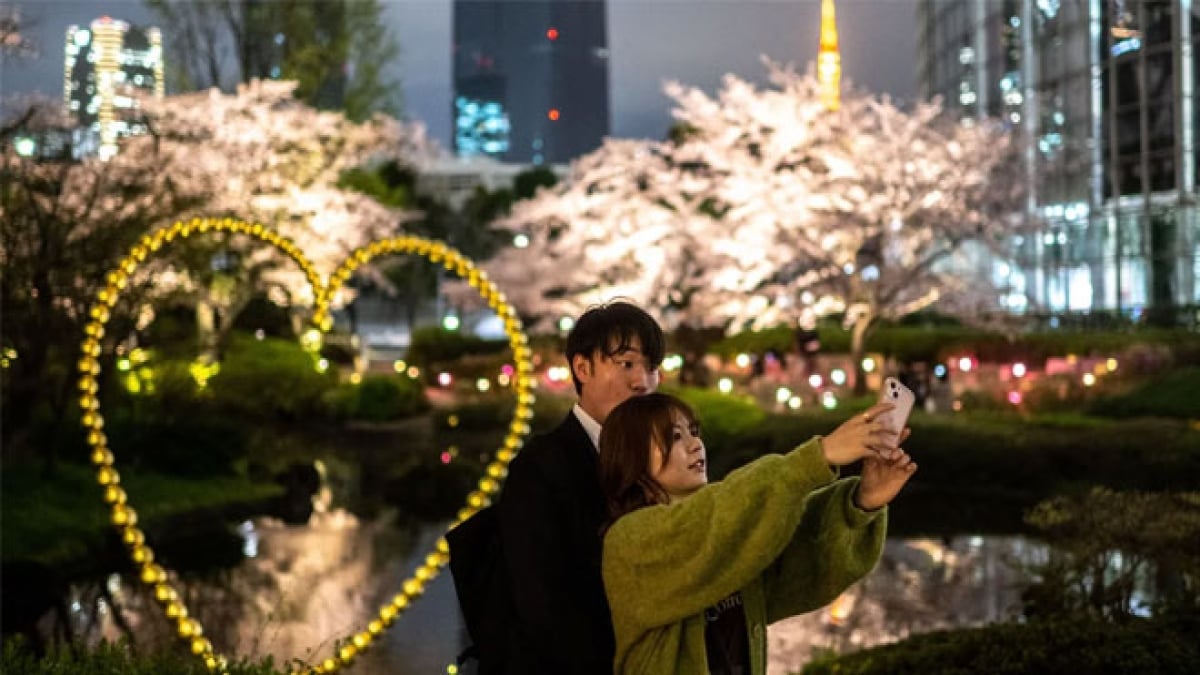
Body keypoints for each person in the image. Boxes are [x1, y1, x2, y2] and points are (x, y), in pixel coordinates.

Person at [599, 394, 917, 674]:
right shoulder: (629, 541)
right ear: (633, 456)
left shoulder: (731, 536)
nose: (695, 444)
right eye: (675, 437)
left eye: (694, 432)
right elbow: (709, 519)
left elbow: (800, 558)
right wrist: (819, 456)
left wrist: (861, 502)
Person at [496, 300, 665, 673]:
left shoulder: (665, 458)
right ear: (582, 367)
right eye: (626, 364)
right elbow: (540, 603)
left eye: (652, 367)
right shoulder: (541, 466)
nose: (643, 381)